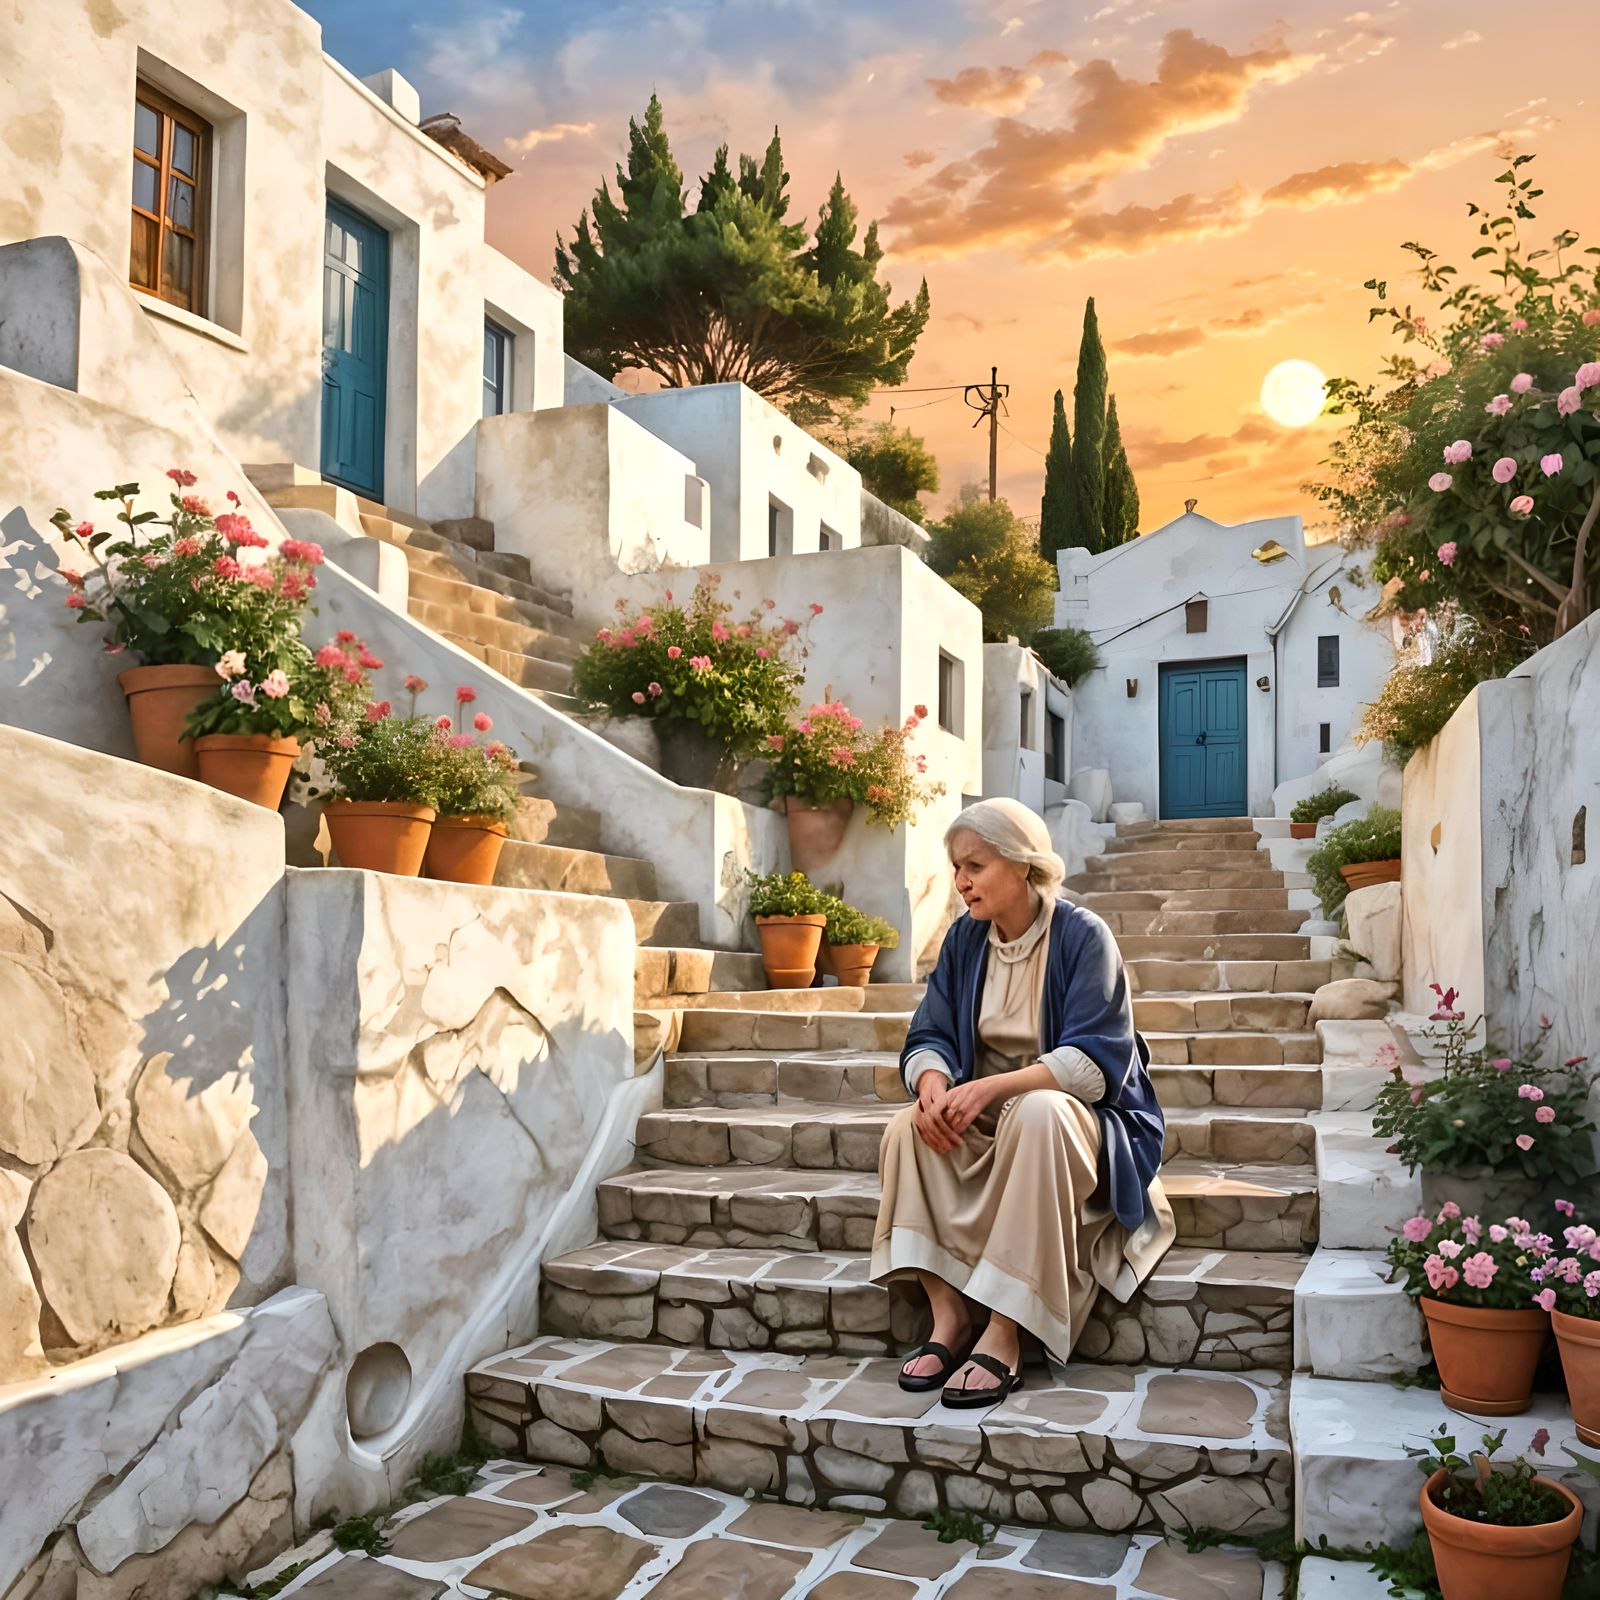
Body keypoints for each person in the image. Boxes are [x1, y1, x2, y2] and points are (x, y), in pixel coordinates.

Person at [871, 797, 1174, 1408]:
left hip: (1072, 1121)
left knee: (1038, 1112)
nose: (961, 882)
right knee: (907, 1128)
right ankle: (950, 1315)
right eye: (957, 867)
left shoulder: (1083, 937)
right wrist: (933, 1086)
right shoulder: (964, 940)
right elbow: (928, 1031)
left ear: (1020, 863)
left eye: (974, 866)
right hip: (987, 1117)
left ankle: (1007, 1330)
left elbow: (1095, 1064)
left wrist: (992, 1087)